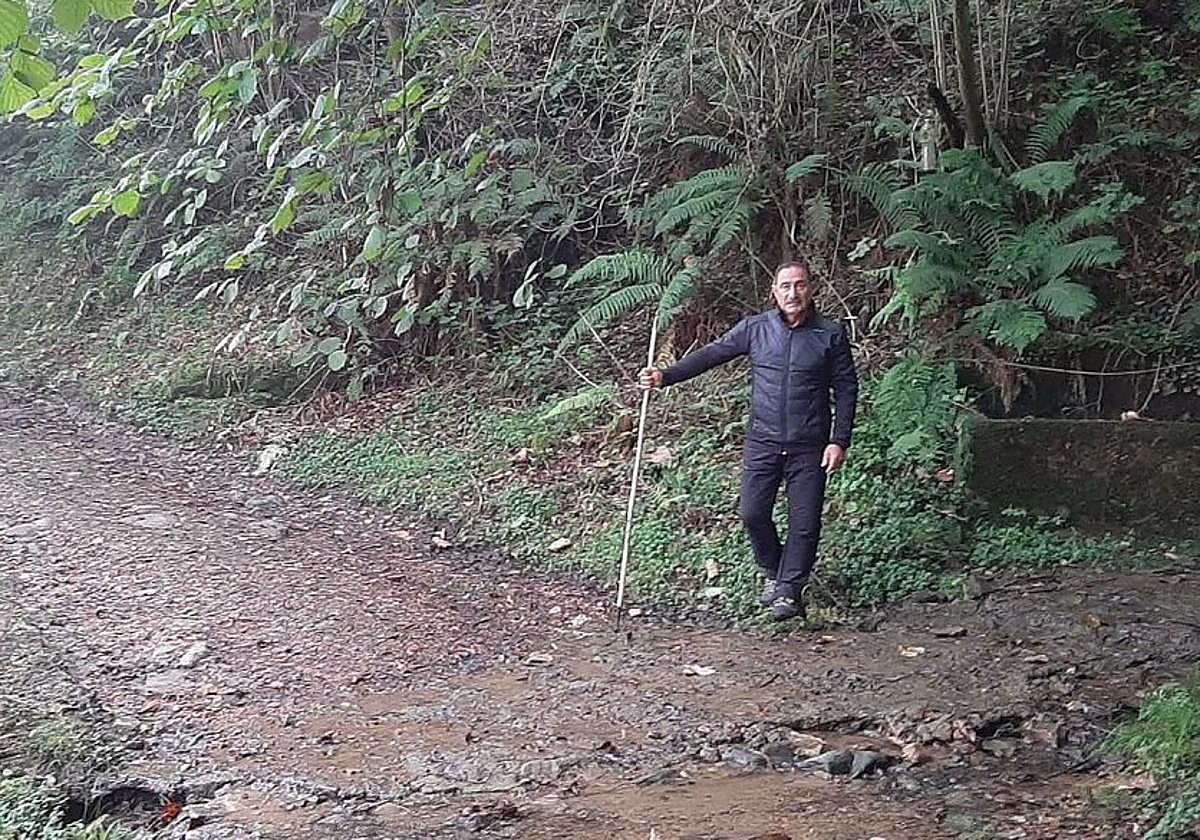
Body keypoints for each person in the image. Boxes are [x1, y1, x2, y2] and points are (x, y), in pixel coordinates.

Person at [639, 260, 859, 621]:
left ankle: (789, 591)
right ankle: (776, 572)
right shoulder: (756, 329)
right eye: (785, 286)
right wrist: (666, 375)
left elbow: (847, 389)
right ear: (774, 292)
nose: (793, 293)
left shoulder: (829, 335)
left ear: (811, 288)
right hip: (764, 441)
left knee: (805, 523)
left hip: (810, 444)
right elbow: (713, 353)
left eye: (800, 285)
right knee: (753, 514)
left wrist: (839, 440)